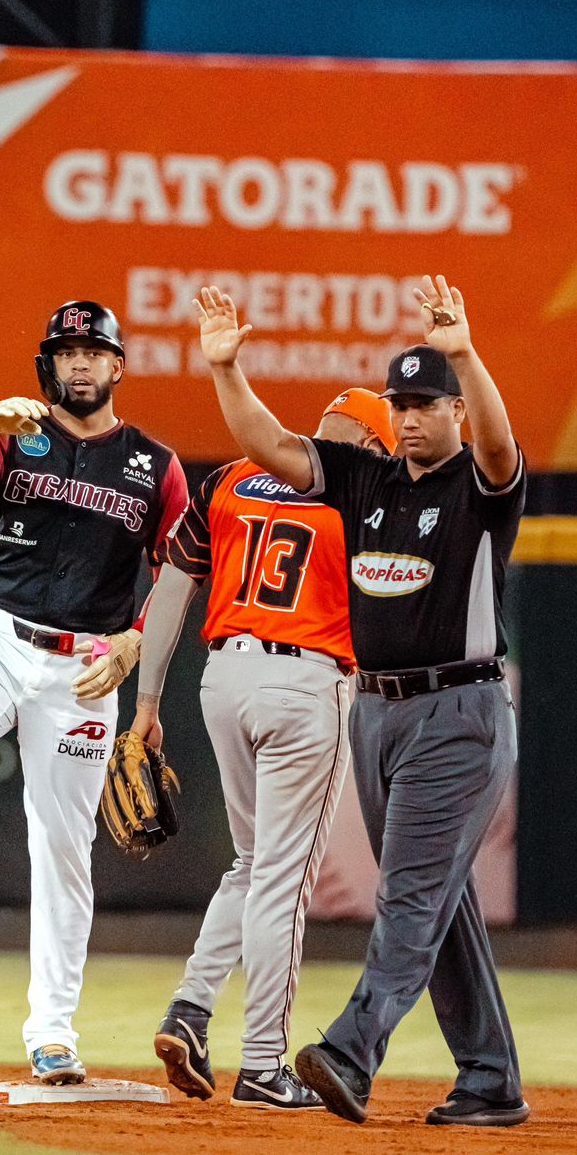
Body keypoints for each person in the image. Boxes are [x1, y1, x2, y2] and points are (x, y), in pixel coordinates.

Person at [195, 276, 529, 1129]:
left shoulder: (480, 486)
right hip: (376, 712)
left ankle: (351, 1049)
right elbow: (271, 445)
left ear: (455, 412)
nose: (411, 417)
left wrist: (465, 355)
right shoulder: (364, 479)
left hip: (457, 712)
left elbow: (499, 445)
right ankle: (490, 1078)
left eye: (427, 404)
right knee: (440, 900)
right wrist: (227, 371)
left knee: (409, 897)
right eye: (401, 404)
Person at [0, 300, 188, 1085]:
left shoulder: (155, 464)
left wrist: (136, 640)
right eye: (66, 351)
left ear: (118, 366)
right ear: (49, 365)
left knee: (62, 847)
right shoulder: (17, 435)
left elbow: (183, 568)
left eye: (93, 351)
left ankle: (52, 1032)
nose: (79, 362)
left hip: (86, 667)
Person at [135, 390, 396, 1109]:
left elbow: (173, 584)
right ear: (371, 446)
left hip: (223, 677)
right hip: (304, 682)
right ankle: (262, 1065)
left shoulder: (230, 478)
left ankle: (190, 1008)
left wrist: (147, 702)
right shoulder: (363, 495)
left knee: (253, 864)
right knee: (283, 879)